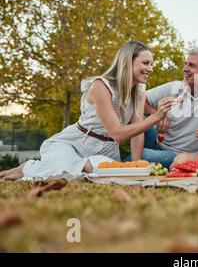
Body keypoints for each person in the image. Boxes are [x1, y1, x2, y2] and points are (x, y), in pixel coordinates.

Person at [0, 41, 175, 181]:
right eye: (145, 63)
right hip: (75, 143)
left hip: (106, 151)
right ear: (127, 62)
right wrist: (156, 116)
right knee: (66, 174)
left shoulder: (138, 91)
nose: (150, 69)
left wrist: (137, 169)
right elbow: (118, 134)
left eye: (151, 64)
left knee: (100, 174)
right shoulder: (101, 86)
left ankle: (50, 167)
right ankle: (27, 168)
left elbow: (137, 133)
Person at [138, 47, 198, 168]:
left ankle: (123, 166)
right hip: (158, 140)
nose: (185, 69)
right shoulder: (175, 87)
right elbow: (138, 98)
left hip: (177, 154)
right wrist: (155, 114)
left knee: (140, 154)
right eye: (185, 64)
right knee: (138, 121)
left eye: (191, 65)